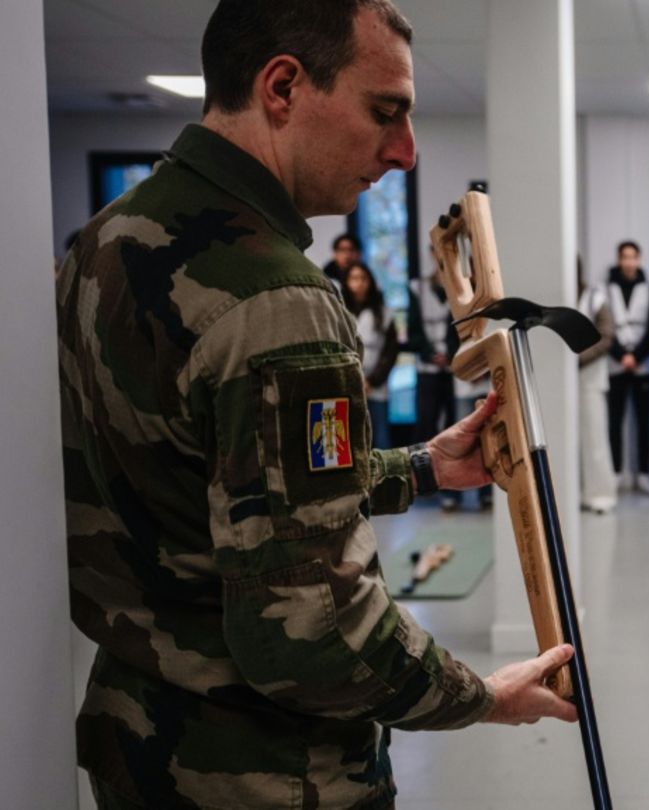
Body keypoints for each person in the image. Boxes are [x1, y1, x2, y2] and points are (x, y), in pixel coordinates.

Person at [56, 2, 577, 808]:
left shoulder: (103, 242)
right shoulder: (276, 298)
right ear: (283, 86)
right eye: (386, 111)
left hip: (138, 748)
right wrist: (482, 696)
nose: (404, 154)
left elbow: (217, 483)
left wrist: (421, 467)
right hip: (269, 773)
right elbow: (316, 630)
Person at [606, 240, 649, 495]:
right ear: (619, 259)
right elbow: (603, 328)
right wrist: (621, 355)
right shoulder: (606, 289)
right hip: (615, 364)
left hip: (643, 365)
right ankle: (616, 472)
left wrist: (635, 357)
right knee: (614, 421)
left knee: (643, 422)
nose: (629, 262)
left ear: (639, 260)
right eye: (624, 257)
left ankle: (645, 474)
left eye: (633, 257)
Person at [412, 247, 462, 510]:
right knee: (426, 424)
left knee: (456, 427)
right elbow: (413, 330)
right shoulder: (418, 288)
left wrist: (452, 356)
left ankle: (453, 491)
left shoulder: (462, 285)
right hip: (428, 370)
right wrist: (432, 354)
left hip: (455, 371)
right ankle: (423, 483)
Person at [341, 262, 400, 449]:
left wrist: (372, 381)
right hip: (347, 382)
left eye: (363, 278)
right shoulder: (340, 311)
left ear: (371, 282)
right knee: (351, 438)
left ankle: (386, 478)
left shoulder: (383, 313)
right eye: (354, 278)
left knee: (380, 436)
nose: (359, 283)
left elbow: (390, 352)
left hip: (375, 385)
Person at [578, 259, 618, 514]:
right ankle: (569, 493)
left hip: (589, 377)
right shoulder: (553, 296)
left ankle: (600, 495)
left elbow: (606, 336)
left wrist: (578, 359)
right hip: (557, 380)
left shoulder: (595, 297)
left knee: (595, 438)